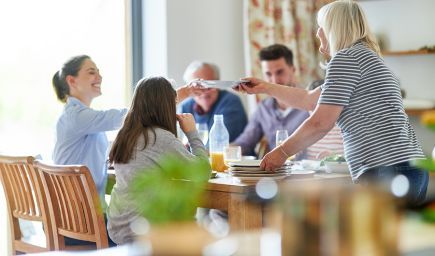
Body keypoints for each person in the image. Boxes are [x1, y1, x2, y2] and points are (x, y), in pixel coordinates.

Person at [237, 0, 428, 206]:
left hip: (388, 169)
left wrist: (282, 152)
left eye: (321, 27)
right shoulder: (365, 58)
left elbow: (321, 122)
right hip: (406, 167)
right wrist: (266, 87)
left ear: (335, 28)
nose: (318, 33)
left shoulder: (346, 59)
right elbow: (310, 100)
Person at [107, 77, 210, 245]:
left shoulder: (124, 135)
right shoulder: (160, 138)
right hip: (145, 233)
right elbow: (202, 171)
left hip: (117, 229)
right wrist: (192, 133)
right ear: (166, 106)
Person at [52, 55, 128, 208]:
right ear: (71, 80)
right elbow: (120, 117)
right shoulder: (76, 116)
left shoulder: (77, 115)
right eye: (91, 72)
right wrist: (162, 99)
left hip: (72, 215)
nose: (100, 77)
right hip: (81, 218)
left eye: (98, 72)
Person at [232, 44, 310, 156]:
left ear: (293, 70)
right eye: (268, 74)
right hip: (277, 172)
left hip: (309, 171)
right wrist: (216, 152)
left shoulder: (311, 103)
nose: (274, 80)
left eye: (280, 72)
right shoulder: (263, 108)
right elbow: (245, 143)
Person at [180, 61, 247, 142]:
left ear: (218, 83)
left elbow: (218, 143)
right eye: (198, 87)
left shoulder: (231, 102)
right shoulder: (185, 106)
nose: (204, 92)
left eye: (210, 85)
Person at [302, 80, 344, 160]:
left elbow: (352, 159)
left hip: (337, 171)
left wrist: (333, 157)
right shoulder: (307, 126)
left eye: (318, 105)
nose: (314, 111)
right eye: (312, 106)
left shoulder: (342, 127)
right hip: (312, 171)